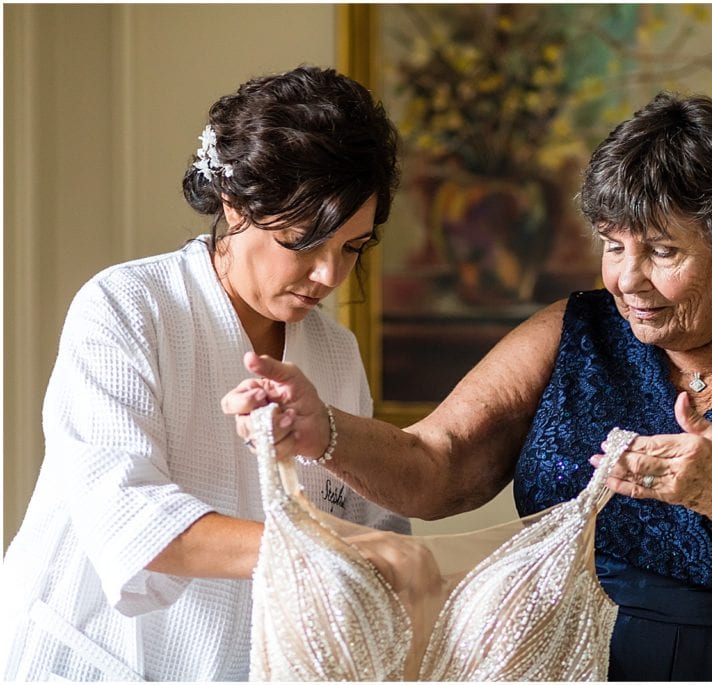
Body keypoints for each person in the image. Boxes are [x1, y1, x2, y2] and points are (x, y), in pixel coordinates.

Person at [222, 92, 712, 681]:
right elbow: (438, 463)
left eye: (663, 251)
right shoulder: (575, 330)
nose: (628, 279)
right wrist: (324, 430)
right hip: (573, 662)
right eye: (613, 244)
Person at [0, 65, 409, 682]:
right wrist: (337, 550)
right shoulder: (126, 307)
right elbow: (128, 516)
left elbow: (371, 527)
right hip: (94, 659)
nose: (330, 276)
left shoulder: (336, 353)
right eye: (305, 241)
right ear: (235, 204)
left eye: (352, 248)